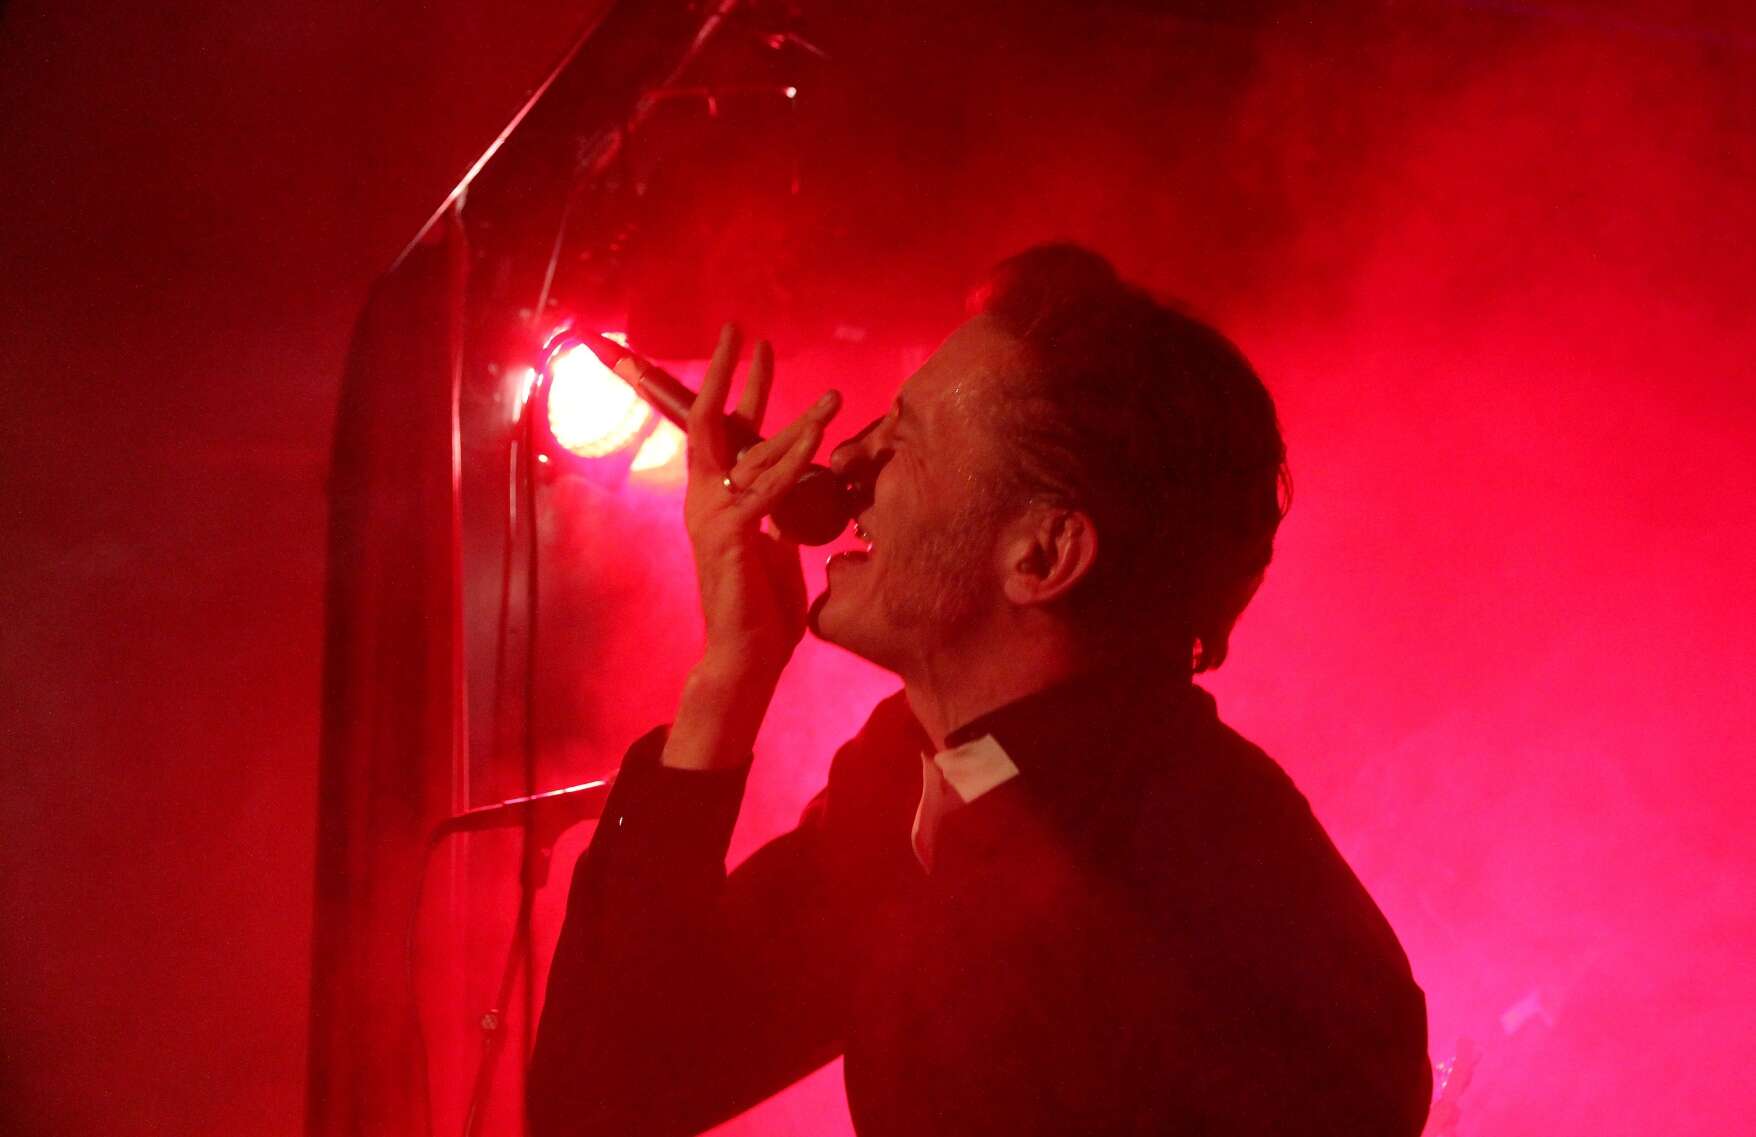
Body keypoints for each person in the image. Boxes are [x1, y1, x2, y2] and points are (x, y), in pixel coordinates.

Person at [527, 245, 1432, 1136]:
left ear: (1043, 554)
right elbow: (604, 1100)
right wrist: (728, 677)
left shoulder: (1229, 917)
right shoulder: (918, 784)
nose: (847, 459)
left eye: (905, 441)